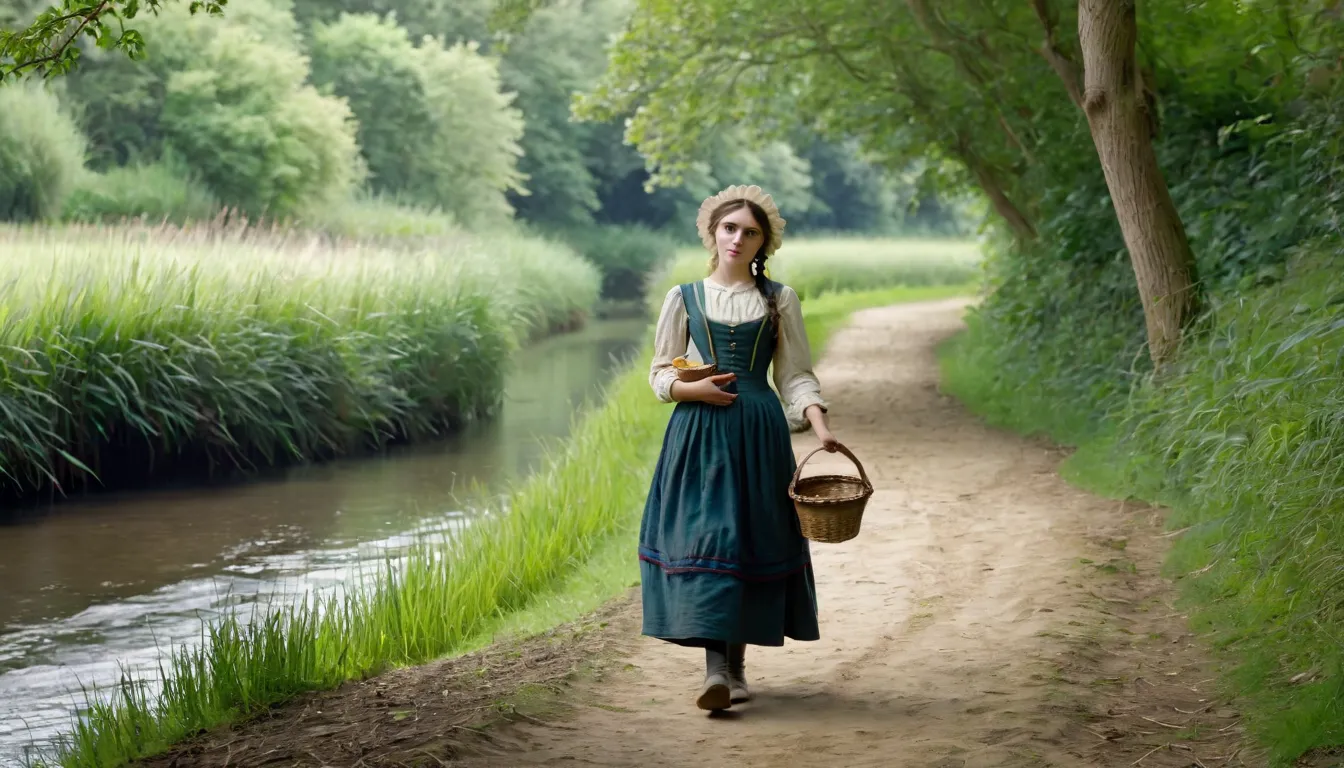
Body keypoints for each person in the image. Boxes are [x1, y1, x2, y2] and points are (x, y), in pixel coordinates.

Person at [640, 184, 840, 712]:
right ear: (713, 232)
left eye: (750, 232)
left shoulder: (780, 299)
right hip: (699, 433)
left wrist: (818, 425)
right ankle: (717, 671)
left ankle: (736, 667)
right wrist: (691, 389)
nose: (738, 238)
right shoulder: (682, 297)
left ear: (763, 242)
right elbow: (661, 373)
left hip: (758, 430)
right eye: (730, 228)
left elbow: (795, 375)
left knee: (747, 539)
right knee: (711, 537)